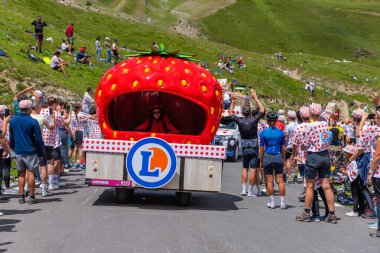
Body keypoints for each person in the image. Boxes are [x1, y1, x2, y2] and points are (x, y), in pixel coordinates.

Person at [296, 103, 337, 223]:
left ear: (311, 113)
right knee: (326, 186)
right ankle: (332, 214)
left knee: (309, 186)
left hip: (313, 156)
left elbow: (305, 144)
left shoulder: (310, 126)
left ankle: (306, 213)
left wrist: (303, 147)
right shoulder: (325, 124)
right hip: (325, 155)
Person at [229, 90, 265, 197]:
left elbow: (231, 114)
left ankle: (243, 189)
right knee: (253, 168)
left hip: (244, 145)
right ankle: (250, 190)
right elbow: (262, 109)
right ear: (250, 112)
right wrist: (255, 97)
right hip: (253, 145)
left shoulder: (239, 121)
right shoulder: (254, 120)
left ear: (242, 112)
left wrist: (233, 101)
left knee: (245, 167)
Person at [9, 100, 44, 204]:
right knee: (31, 173)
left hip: (19, 150)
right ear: (29, 109)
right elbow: (38, 139)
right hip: (31, 151)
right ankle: (32, 196)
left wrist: (13, 147)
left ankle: (21, 196)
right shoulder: (33, 121)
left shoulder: (13, 120)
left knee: (21, 174)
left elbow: (11, 137)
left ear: (20, 108)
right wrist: (40, 152)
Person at [259, 111, 286, 209]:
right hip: (278, 156)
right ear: (276, 120)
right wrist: (283, 159)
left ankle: (272, 202)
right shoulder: (281, 133)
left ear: (268, 120)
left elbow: (261, 149)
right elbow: (283, 148)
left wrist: (261, 161)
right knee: (280, 181)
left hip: (268, 156)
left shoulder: (263, 133)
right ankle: (283, 203)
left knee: (269, 181)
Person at [40, 97, 64, 191]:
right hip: (51, 141)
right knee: (50, 162)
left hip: (40, 140)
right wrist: (59, 111)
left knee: (41, 164)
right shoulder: (55, 113)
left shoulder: (41, 111)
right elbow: (62, 123)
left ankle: (43, 183)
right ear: (54, 104)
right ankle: (51, 183)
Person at [367, 93, 380, 237]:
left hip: (378, 171)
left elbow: (378, 155)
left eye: (376, 117)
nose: (374, 119)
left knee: (379, 199)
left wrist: (370, 170)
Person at [340, 145, 364, 217]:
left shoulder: (353, 161)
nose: (344, 153)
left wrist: (345, 172)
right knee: (358, 194)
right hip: (354, 179)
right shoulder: (351, 160)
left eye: (346, 152)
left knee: (355, 194)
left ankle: (355, 210)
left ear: (350, 153)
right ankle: (360, 210)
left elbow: (354, 172)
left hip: (355, 180)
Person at [70, 103, 96, 169]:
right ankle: (81, 163)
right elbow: (91, 117)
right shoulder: (81, 114)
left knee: (75, 148)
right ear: (79, 108)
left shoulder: (72, 114)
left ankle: (75, 163)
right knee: (80, 148)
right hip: (80, 131)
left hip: (74, 132)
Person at [284, 110, 298, 183]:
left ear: (289, 117)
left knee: (287, 160)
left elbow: (286, 137)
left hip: (289, 144)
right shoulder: (297, 125)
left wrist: (285, 145)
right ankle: (296, 176)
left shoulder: (288, 126)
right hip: (297, 145)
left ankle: (289, 175)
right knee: (296, 160)